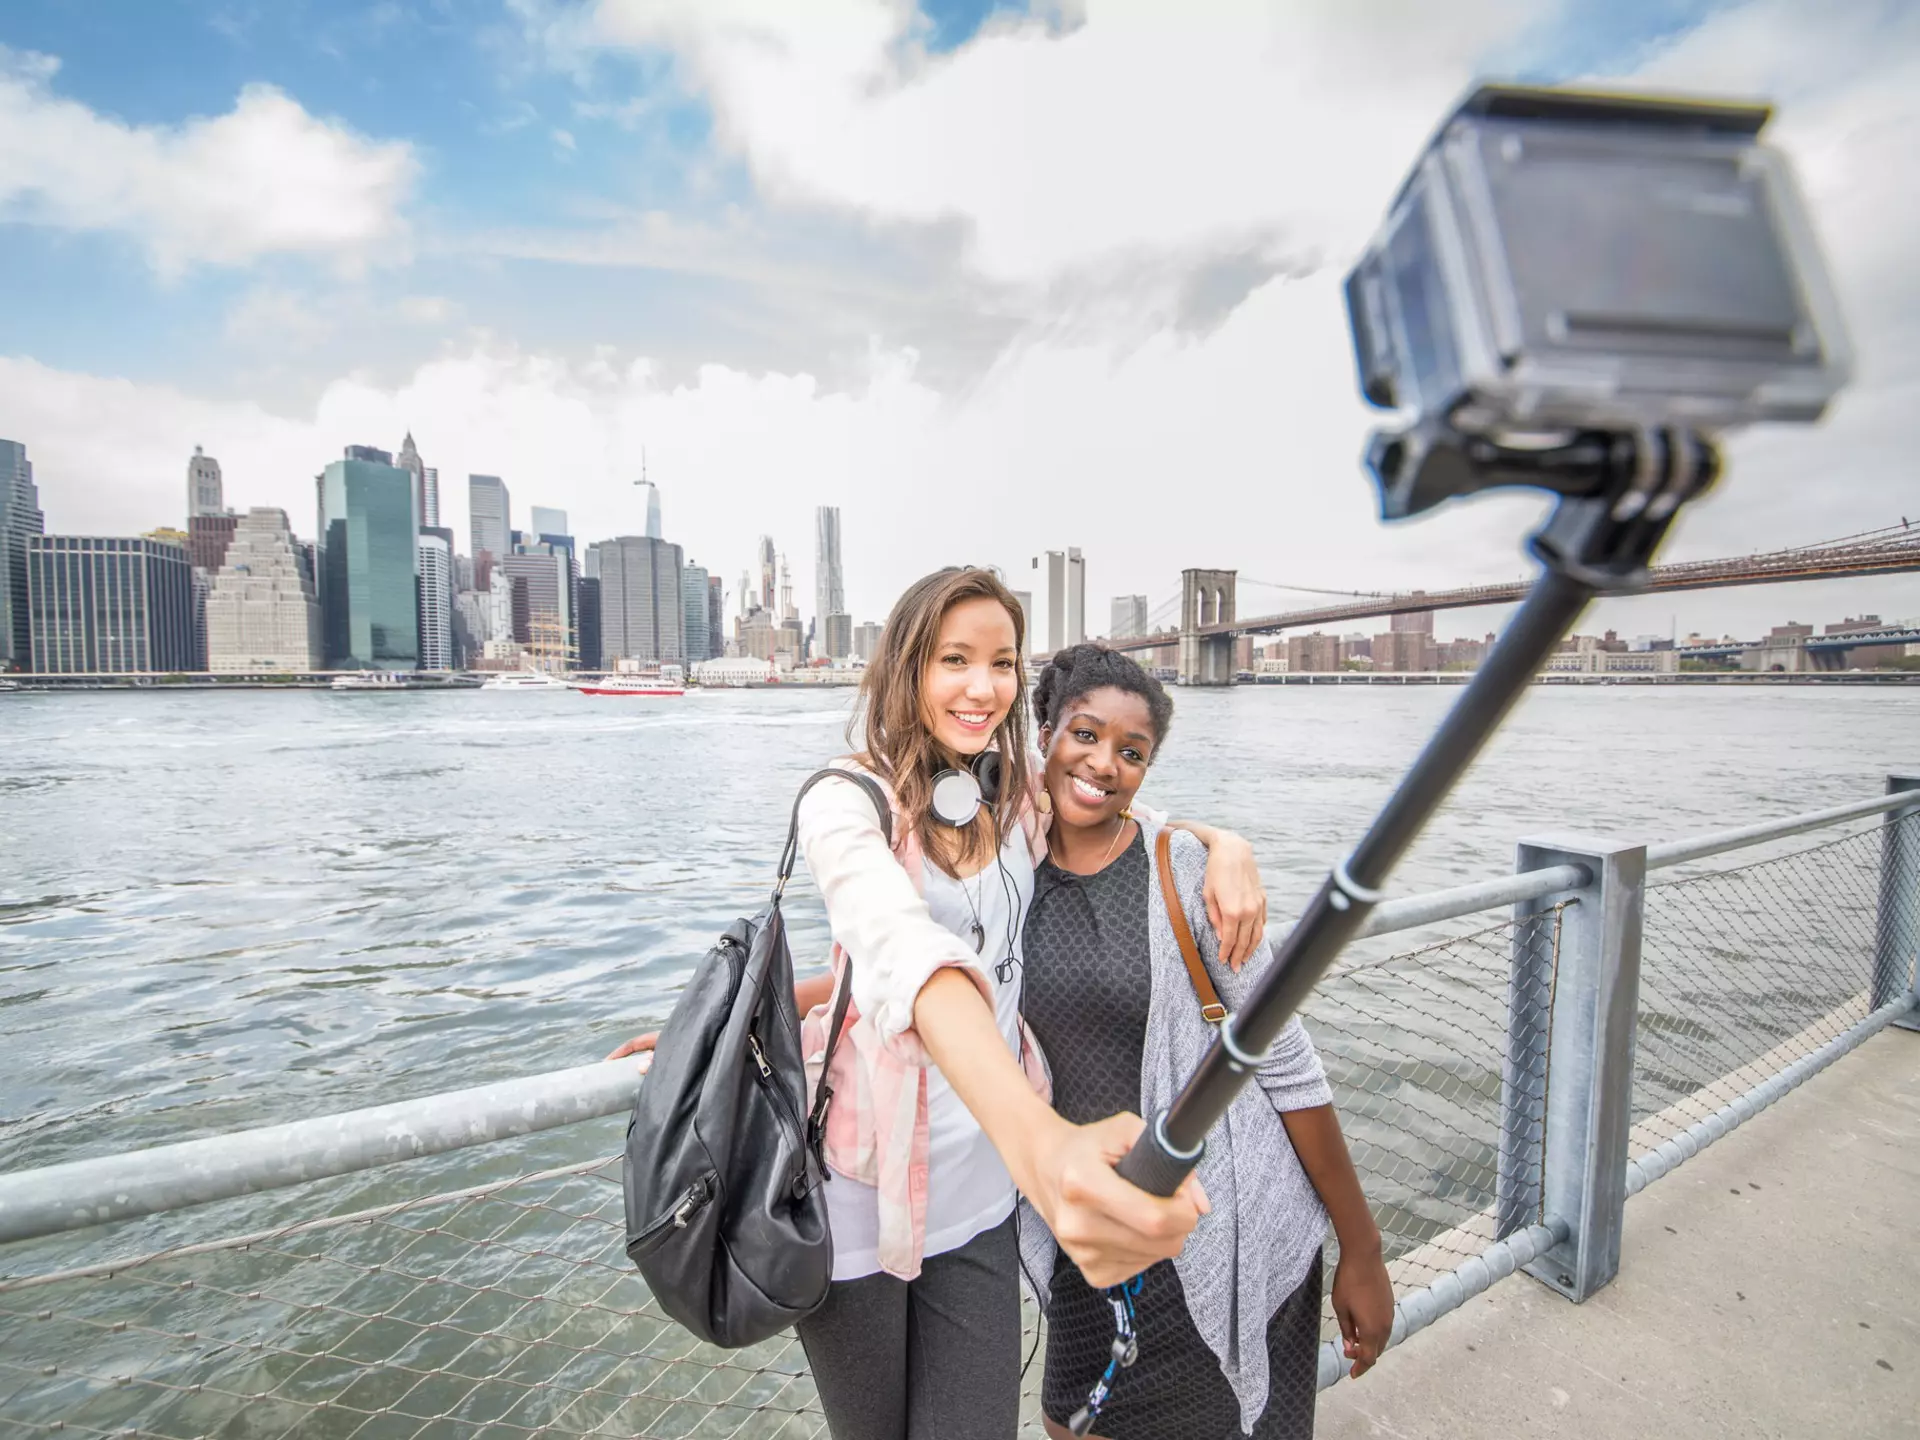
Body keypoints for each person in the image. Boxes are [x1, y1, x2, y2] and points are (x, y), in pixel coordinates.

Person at [608, 566, 1267, 1440]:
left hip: (981, 1191)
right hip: (863, 1182)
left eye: (1001, 663)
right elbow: (901, 951)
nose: (981, 687)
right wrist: (1040, 1141)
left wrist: (1224, 846)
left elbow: (1124, 816)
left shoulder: (1016, 799)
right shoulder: (846, 802)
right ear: (910, 666)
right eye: (954, 659)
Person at [1018, 643, 1395, 1440]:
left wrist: (1362, 1249)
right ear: (1044, 731)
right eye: (1083, 735)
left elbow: (1288, 1064)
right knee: (1070, 1425)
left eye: (1132, 752)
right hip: (1088, 1227)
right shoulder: (1004, 872)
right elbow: (923, 971)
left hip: (1211, 1227)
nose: (1102, 764)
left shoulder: (1182, 870)